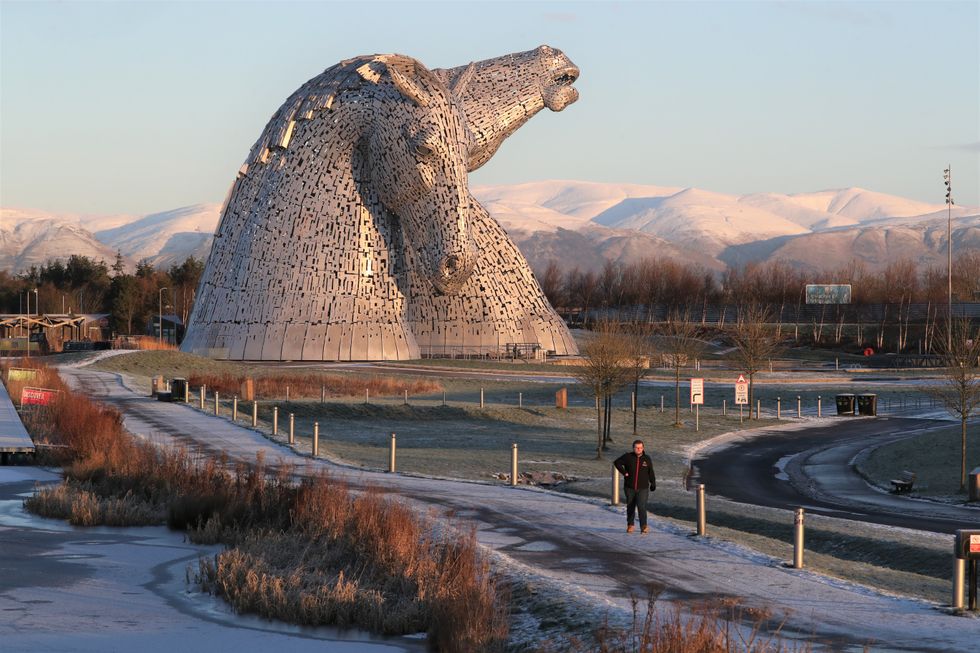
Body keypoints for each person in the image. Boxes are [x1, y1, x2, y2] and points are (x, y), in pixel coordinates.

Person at [613, 439, 656, 533]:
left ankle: (643, 526)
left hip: (643, 488)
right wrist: (624, 473)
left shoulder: (647, 459)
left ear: (643, 448)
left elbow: (651, 472)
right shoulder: (628, 456)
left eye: (640, 447)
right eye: (636, 447)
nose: (638, 449)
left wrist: (653, 483)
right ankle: (630, 525)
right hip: (629, 487)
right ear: (633, 448)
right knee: (631, 506)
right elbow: (617, 463)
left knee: (641, 506)